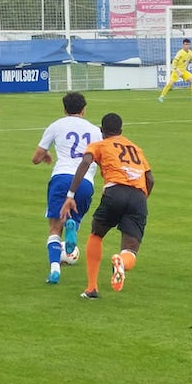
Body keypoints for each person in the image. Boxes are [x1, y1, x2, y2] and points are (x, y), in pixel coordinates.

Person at [60, 113, 154, 299]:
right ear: (121, 130)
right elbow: (150, 179)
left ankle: (92, 288)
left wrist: (71, 194)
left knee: (96, 234)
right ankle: (121, 262)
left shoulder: (99, 145)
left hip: (114, 192)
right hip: (138, 196)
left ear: (102, 130)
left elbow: (86, 161)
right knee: (130, 250)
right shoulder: (136, 148)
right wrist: (141, 200)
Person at [32, 92, 102, 285]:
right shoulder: (95, 130)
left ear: (64, 109)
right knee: (73, 218)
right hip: (85, 181)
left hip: (61, 178)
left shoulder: (56, 125)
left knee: (55, 228)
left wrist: (45, 155)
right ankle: (73, 227)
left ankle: (54, 270)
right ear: (84, 109)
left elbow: (36, 158)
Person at [158, 38, 192, 103]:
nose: (187, 46)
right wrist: (178, 71)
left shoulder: (190, 52)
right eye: (185, 44)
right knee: (170, 83)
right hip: (176, 71)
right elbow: (174, 63)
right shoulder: (180, 53)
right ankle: (161, 97)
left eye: (188, 45)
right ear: (183, 45)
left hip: (184, 71)